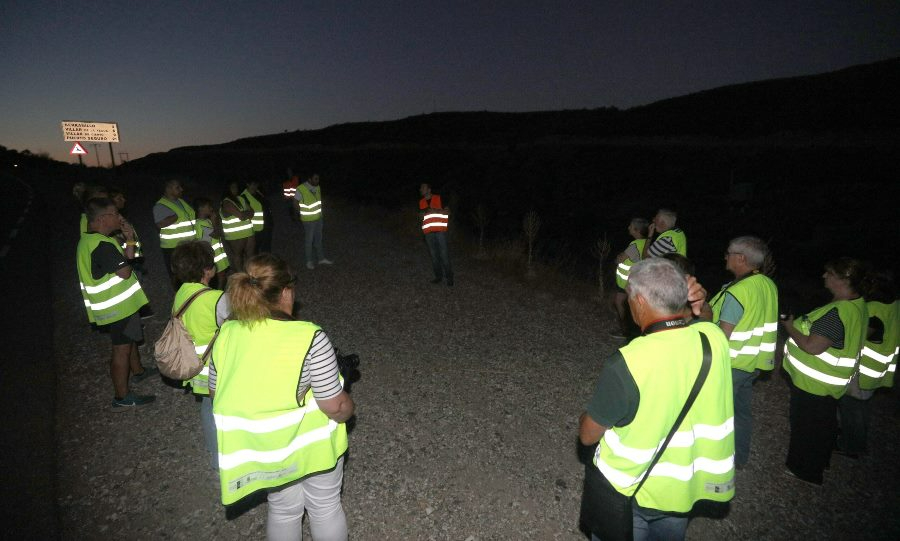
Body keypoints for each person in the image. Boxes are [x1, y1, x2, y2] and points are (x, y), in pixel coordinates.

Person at [579, 258, 734, 541]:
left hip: (631, 493)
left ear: (639, 301)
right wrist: (701, 304)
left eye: (628, 298)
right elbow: (706, 319)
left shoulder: (629, 361)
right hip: (681, 493)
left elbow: (588, 436)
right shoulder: (714, 341)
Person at [209, 254, 353, 540]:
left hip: (264, 452)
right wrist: (349, 406)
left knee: (283, 509)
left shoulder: (225, 334)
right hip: (312, 451)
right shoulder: (309, 336)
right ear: (286, 291)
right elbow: (334, 406)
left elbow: (216, 392)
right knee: (324, 507)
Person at [781, 257, 869, 485]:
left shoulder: (836, 313)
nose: (824, 277)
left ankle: (805, 471)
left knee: (807, 427)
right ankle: (819, 461)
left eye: (829, 273)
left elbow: (812, 346)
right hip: (830, 384)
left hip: (814, 385)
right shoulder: (858, 305)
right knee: (823, 424)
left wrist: (789, 327)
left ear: (843, 280)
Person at [77, 198, 156, 409]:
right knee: (120, 350)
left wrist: (129, 239)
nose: (119, 217)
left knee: (127, 345)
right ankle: (121, 397)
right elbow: (125, 271)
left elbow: (125, 259)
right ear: (103, 218)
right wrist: (126, 254)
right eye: (115, 214)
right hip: (117, 308)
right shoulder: (100, 244)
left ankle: (135, 377)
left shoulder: (96, 239)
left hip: (124, 306)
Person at [707, 236, 779, 468]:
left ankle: (712, 460)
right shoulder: (767, 284)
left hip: (730, 363)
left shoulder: (739, 292)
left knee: (714, 414)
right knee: (741, 413)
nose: (724, 257)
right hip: (752, 363)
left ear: (741, 258)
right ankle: (739, 458)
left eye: (728, 253)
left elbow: (723, 334)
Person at [170, 241, 230, 467]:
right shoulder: (215, 298)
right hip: (216, 368)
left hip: (195, 365)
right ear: (207, 270)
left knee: (207, 407)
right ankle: (223, 457)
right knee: (222, 410)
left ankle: (214, 454)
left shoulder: (181, 293)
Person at [837, 269, 899, 457]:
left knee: (852, 407)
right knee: (860, 407)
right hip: (879, 369)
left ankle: (852, 446)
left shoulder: (873, 309)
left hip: (863, 368)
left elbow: (859, 336)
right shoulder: (895, 306)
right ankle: (853, 441)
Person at [154, 179, 196, 286]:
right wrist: (174, 217)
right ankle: (181, 297)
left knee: (192, 273)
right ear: (168, 189)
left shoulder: (181, 201)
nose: (181, 189)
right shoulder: (161, 205)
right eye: (177, 187)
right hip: (173, 247)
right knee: (178, 276)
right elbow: (160, 224)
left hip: (189, 244)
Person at [613, 218, 649, 337]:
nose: (628, 228)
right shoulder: (646, 243)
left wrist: (618, 257)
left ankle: (626, 330)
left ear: (637, 230)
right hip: (636, 281)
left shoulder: (635, 245)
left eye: (631, 226)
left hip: (627, 282)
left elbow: (620, 259)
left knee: (621, 304)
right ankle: (630, 330)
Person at [418, 183, 453, 286]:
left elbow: (448, 212)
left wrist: (436, 210)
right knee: (434, 256)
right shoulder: (421, 202)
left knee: (444, 255)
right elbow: (422, 218)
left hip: (440, 231)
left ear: (429, 189)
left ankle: (449, 277)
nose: (421, 189)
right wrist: (421, 216)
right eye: (421, 188)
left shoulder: (439, 198)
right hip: (428, 233)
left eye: (423, 187)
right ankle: (438, 276)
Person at [295, 174, 332, 269]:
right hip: (308, 220)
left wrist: (321, 215)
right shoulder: (301, 188)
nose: (318, 180)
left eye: (318, 178)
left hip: (319, 218)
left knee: (319, 239)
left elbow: (318, 202)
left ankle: (321, 258)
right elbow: (295, 203)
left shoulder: (317, 187)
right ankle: (309, 261)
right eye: (315, 179)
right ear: (309, 179)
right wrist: (301, 213)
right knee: (309, 241)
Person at [194, 198, 230, 289]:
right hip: (213, 257)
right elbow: (216, 235)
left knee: (221, 277)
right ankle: (218, 295)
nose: (211, 208)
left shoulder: (206, 221)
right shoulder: (200, 224)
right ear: (201, 208)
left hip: (217, 256)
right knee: (220, 278)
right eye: (208, 206)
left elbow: (220, 233)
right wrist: (214, 222)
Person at [220, 181, 256, 272]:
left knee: (251, 255)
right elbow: (242, 216)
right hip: (235, 235)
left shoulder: (241, 198)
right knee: (238, 255)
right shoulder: (226, 202)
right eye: (233, 187)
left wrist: (245, 214)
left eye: (236, 187)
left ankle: (250, 274)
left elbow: (252, 212)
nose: (235, 189)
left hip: (248, 231)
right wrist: (245, 214)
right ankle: (240, 277)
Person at [241, 180, 271, 253]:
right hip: (254, 229)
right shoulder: (243, 196)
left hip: (266, 226)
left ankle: (266, 264)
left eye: (256, 184)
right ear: (247, 184)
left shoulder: (259, 193)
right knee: (254, 251)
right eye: (253, 184)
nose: (255, 186)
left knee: (266, 250)